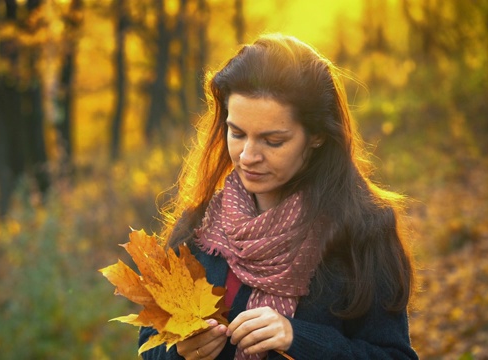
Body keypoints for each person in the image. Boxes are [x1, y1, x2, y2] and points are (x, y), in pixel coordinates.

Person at [139, 33, 417, 359]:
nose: (247, 156)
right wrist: (179, 352)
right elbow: (150, 342)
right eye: (237, 133)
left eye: (273, 141)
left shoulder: (365, 231)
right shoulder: (200, 226)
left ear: (315, 136)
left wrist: (298, 338)